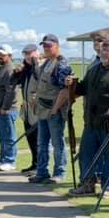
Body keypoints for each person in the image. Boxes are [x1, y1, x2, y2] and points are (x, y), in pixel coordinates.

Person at [67, 38, 109, 198]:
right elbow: (83, 89)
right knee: (86, 154)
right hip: (91, 121)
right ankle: (87, 184)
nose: (103, 53)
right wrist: (72, 85)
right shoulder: (94, 69)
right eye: (102, 50)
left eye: (107, 50)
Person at [28, 34, 72, 184]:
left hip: (54, 111)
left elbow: (64, 90)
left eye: (49, 45)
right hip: (42, 109)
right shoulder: (46, 63)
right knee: (42, 143)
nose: (46, 48)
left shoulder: (62, 63)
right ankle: (42, 171)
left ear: (57, 46)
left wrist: (55, 109)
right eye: (44, 46)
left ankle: (59, 172)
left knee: (57, 143)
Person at [11, 43, 41, 176]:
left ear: (36, 53)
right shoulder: (25, 68)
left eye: (30, 53)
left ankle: (40, 166)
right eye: (25, 54)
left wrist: (34, 63)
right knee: (30, 138)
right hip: (27, 108)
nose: (28, 56)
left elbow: (38, 77)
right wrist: (17, 72)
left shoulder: (40, 66)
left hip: (37, 108)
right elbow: (13, 82)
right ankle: (34, 163)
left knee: (39, 139)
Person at [0, 45, 19, 171]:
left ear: (9, 56)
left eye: (3, 55)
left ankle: (10, 160)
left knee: (8, 136)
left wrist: (5, 107)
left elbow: (11, 90)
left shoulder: (10, 69)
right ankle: (3, 158)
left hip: (6, 109)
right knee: (2, 136)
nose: (0, 57)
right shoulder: (1, 68)